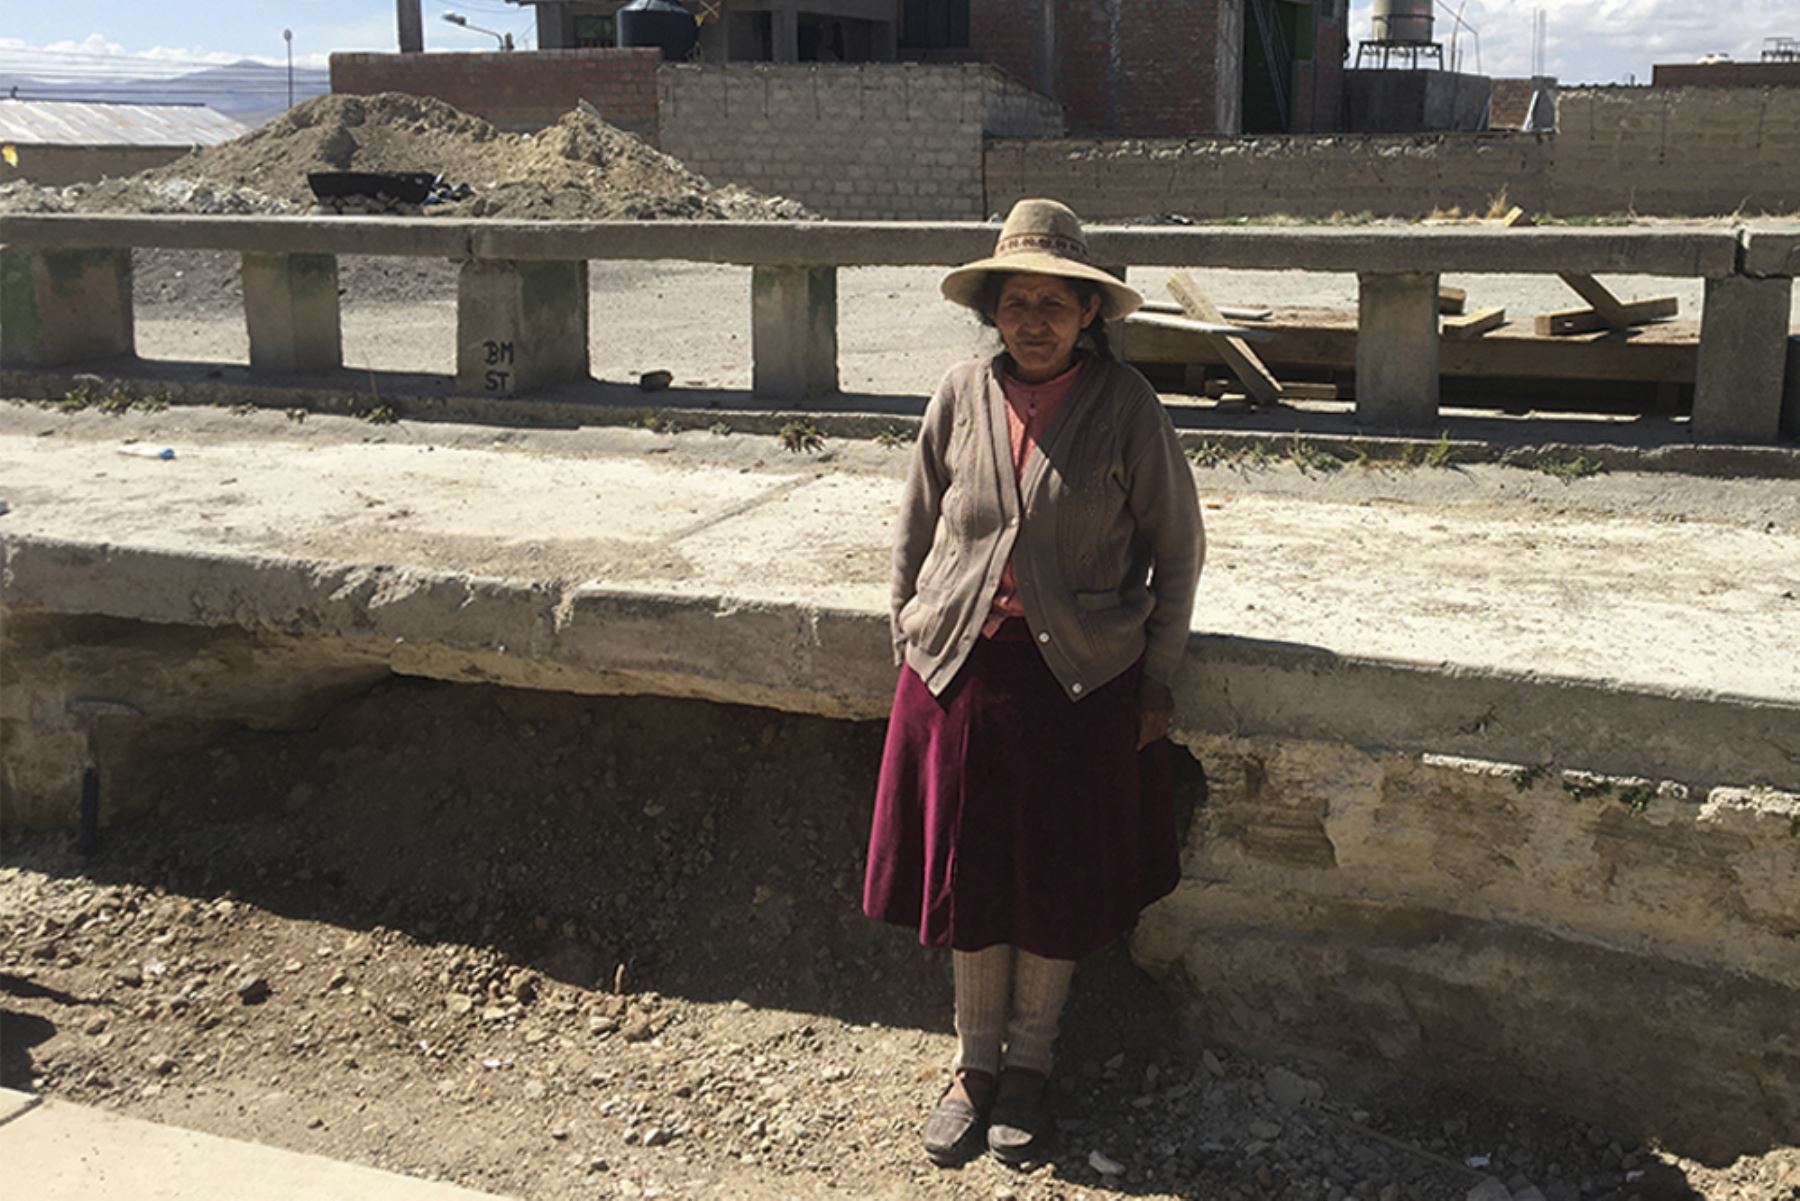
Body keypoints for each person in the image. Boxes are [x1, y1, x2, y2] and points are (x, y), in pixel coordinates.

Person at [862, 198, 1205, 1166]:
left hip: (1082, 682)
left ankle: (1031, 1068)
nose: (1036, 320)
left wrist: (1156, 684)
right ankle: (973, 1066)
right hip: (961, 671)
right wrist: (908, 639)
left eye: (1057, 302)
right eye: (1019, 302)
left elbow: (1177, 553)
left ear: (1090, 314)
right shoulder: (959, 392)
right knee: (973, 882)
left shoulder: (1128, 408)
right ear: (995, 311)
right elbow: (915, 528)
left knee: (1053, 882)